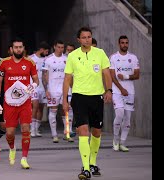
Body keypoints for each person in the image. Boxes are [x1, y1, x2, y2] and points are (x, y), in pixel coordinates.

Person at [62, 27, 113, 179]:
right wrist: (64, 100)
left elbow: (106, 74)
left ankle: (92, 162)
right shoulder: (72, 56)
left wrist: (109, 90)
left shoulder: (100, 53)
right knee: (83, 131)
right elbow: (67, 79)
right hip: (79, 97)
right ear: (79, 40)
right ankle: (85, 168)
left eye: (89, 37)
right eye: (84, 37)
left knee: (96, 132)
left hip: (97, 97)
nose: (87, 40)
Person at [0, 37, 39, 169]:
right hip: (9, 102)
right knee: (10, 133)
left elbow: (36, 80)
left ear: (23, 48)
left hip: (25, 101)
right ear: (11, 49)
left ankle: (24, 158)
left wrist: (33, 86)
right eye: (16, 47)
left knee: (25, 129)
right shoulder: (3, 63)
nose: (18, 49)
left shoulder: (30, 62)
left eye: (20, 47)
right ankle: (12, 149)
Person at [109, 35, 140, 152]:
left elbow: (137, 75)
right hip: (117, 91)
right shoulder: (113, 57)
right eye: (122, 43)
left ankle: (122, 142)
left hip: (130, 91)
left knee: (127, 118)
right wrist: (121, 88)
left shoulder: (133, 57)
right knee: (120, 114)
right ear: (119, 44)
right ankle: (115, 139)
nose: (124, 45)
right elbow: (112, 76)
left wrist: (126, 76)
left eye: (126, 43)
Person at [42, 40, 74, 143]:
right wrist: (46, 89)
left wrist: (72, 87)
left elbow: (71, 75)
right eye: (59, 47)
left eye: (62, 47)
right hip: (53, 89)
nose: (61, 49)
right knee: (53, 110)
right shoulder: (48, 59)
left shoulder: (67, 59)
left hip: (66, 88)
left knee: (67, 110)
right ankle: (54, 135)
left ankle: (67, 133)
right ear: (54, 47)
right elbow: (44, 75)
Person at [29, 41, 50, 137]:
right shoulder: (31, 59)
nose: (47, 53)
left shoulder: (46, 59)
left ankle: (36, 129)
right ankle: (32, 129)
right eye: (46, 51)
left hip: (43, 87)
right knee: (35, 106)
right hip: (33, 86)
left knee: (41, 108)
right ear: (41, 49)